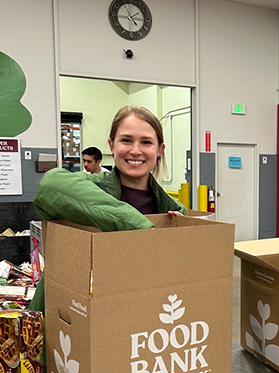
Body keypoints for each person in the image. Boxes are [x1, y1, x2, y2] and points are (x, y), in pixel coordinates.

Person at [30, 106, 186, 312]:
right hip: (73, 313)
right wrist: (138, 226)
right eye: (126, 140)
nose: (135, 150)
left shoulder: (174, 211)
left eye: (146, 142)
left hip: (139, 317)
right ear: (112, 145)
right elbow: (49, 187)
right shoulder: (92, 186)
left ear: (159, 150)